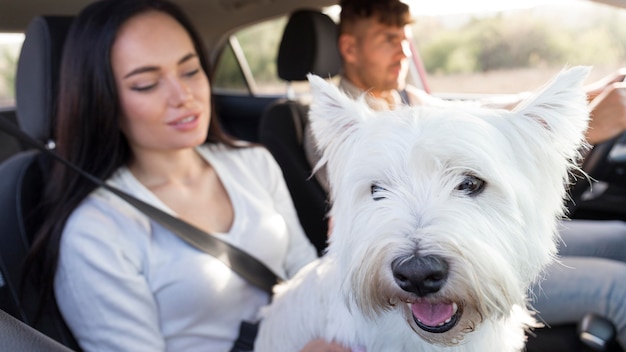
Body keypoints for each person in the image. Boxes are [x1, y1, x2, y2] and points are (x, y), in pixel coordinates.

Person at [22, 0, 350, 351]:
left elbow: (305, 275)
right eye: (147, 84)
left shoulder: (254, 163)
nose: (184, 96)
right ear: (102, 100)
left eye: (191, 71)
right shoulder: (96, 232)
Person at [303, 0, 626, 349]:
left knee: (619, 238)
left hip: (475, 239)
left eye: (405, 40)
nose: (403, 52)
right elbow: (347, 222)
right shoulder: (345, 131)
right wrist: (585, 132)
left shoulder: (409, 99)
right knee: (618, 288)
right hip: (429, 258)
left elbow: (494, 116)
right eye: (387, 40)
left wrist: (588, 98)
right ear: (350, 48)